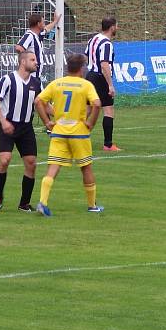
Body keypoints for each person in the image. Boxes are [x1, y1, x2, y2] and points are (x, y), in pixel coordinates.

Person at [33, 53, 104, 216]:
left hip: (59, 131)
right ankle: (92, 205)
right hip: (79, 133)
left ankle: (43, 202)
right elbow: (97, 104)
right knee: (86, 167)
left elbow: (38, 101)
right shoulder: (85, 85)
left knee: (53, 167)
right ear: (82, 68)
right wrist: (91, 123)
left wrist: (47, 121)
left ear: (68, 67)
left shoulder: (56, 84)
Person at [0, 51, 42, 212]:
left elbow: (42, 104)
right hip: (8, 125)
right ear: (22, 61)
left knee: (31, 164)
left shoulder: (36, 83)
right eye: (33, 60)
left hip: (26, 128)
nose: (36, 63)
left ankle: (24, 204)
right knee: (5, 160)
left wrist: (60, 115)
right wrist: (3, 121)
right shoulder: (8, 79)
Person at [85, 17, 120, 151]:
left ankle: (72, 136)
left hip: (90, 76)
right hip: (101, 78)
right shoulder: (106, 44)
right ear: (112, 27)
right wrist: (110, 84)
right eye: (116, 26)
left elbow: (87, 55)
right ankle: (108, 144)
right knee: (108, 110)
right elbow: (104, 64)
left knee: (87, 110)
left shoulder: (93, 39)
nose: (117, 28)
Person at [15, 12, 62, 82]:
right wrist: (27, 64)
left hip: (36, 76)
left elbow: (46, 29)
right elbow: (19, 48)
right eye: (43, 22)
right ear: (38, 24)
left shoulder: (38, 35)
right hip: (30, 77)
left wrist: (55, 21)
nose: (44, 24)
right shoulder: (29, 35)